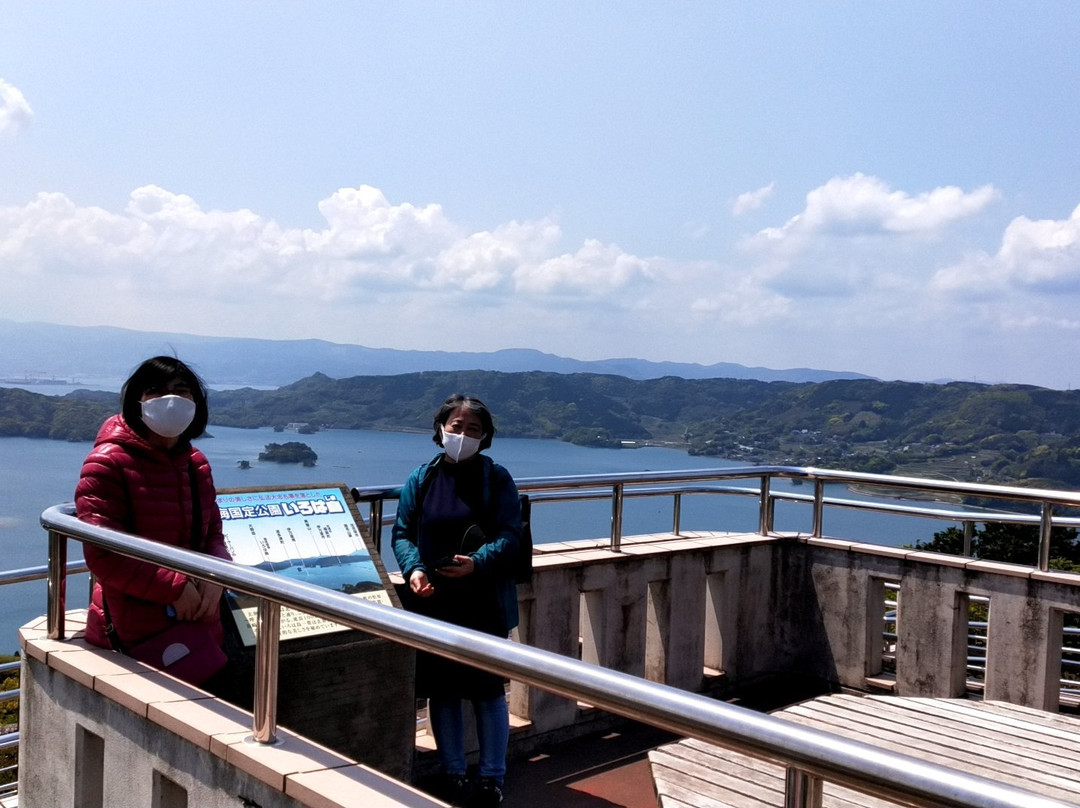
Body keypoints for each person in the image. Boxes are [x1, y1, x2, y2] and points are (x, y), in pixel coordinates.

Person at [392, 395, 523, 808]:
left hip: (483, 600)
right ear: (440, 428)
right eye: (456, 425)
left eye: (472, 429)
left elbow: (510, 534)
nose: (462, 434)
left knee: (487, 691)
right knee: (443, 690)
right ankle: (452, 772)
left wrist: (477, 563)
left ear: (485, 437)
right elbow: (402, 533)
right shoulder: (422, 478)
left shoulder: (495, 478)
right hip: (433, 600)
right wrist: (414, 569)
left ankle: (491, 778)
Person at [75, 356, 233, 690]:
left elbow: (213, 533)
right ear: (137, 401)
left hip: (197, 625)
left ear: (196, 403)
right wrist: (174, 587)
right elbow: (103, 552)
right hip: (135, 630)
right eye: (155, 391)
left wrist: (218, 575)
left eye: (181, 391)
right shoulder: (107, 463)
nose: (170, 400)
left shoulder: (195, 464)